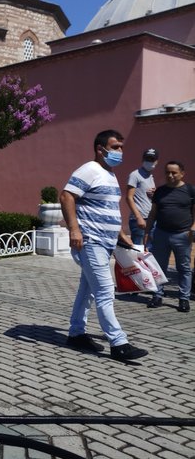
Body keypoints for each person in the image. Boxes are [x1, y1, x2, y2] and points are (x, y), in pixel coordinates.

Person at [60, 129, 148, 361]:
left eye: (121, 147)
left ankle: (76, 333)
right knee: (105, 290)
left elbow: (107, 209)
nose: (120, 151)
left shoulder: (109, 175)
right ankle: (118, 342)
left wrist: (121, 234)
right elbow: (66, 196)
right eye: (115, 147)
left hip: (106, 242)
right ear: (101, 149)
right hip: (91, 240)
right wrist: (74, 229)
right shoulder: (90, 169)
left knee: (87, 290)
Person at [143, 161, 195, 312]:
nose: (170, 175)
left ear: (182, 173)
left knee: (184, 268)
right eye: (167, 172)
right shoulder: (160, 191)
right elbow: (153, 214)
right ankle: (157, 295)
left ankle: (184, 299)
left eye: (174, 172)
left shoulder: (190, 190)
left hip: (182, 235)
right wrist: (147, 233)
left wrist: (192, 229)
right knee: (158, 267)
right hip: (161, 234)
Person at [125, 148, 158, 246]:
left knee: (149, 250)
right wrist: (138, 217)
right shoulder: (135, 175)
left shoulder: (151, 176)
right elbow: (129, 197)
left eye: (152, 159)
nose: (150, 162)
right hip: (139, 219)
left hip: (151, 218)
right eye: (147, 159)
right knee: (138, 250)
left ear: (156, 161)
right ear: (143, 159)